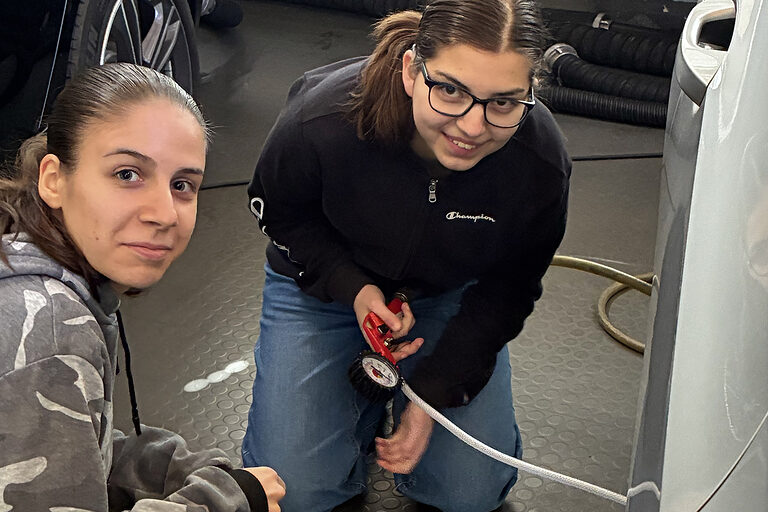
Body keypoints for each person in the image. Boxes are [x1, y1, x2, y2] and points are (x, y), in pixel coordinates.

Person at [242, 1, 570, 511]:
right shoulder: (321, 120)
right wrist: (350, 285)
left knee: (469, 494)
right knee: (297, 492)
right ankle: (355, 410)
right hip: (320, 288)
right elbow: (281, 214)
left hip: (451, 296)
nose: (473, 127)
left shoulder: (540, 164)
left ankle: (382, 401)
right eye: (451, 90)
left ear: (530, 93)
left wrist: (434, 394)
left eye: (504, 102)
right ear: (412, 70)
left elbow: (510, 290)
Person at [0, 63, 285, 511]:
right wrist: (226, 500)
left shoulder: (25, 261)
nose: (165, 213)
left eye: (182, 184)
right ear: (53, 178)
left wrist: (176, 469)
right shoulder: (52, 331)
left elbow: (78, 437)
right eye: (127, 174)